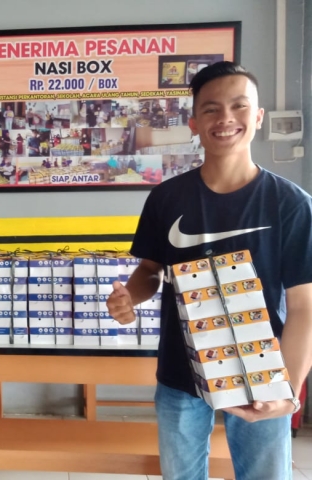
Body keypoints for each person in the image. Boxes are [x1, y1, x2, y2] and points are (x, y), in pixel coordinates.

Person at [106, 62, 312, 480]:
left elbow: (304, 306)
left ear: (258, 116)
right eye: (211, 109)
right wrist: (130, 296)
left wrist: (288, 389)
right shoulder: (166, 198)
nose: (225, 118)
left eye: (239, 106)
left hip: (261, 373)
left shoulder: (290, 204)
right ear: (194, 123)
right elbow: (150, 270)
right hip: (180, 373)